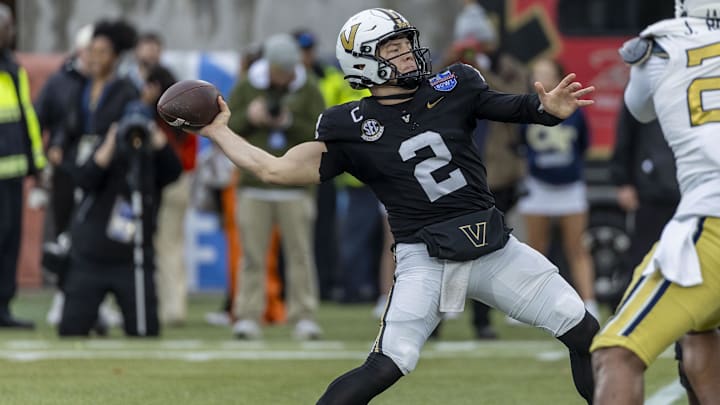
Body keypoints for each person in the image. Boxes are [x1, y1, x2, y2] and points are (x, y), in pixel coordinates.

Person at [197, 8, 598, 404]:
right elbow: (274, 169)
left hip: (493, 247)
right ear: (365, 62)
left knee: (586, 333)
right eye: (393, 47)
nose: (407, 52)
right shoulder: (349, 125)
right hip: (425, 259)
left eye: (406, 43)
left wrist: (545, 109)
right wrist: (218, 131)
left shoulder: (455, 84)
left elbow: (511, 105)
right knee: (389, 363)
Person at [591, 1, 720, 403]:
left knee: (617, 352)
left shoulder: (660, 45)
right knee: (700, 329)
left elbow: (639, 109)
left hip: (711, 217)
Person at [226, 33, 325, 340]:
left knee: (300, 255)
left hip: (296, 186)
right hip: (254, 184)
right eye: (279, 69)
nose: (284, 75)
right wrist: (250, 116)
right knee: (252, 255)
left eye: (288, 69)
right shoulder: (246, 86)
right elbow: (227, 128)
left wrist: (289, 121)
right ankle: (247, 315)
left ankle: (304, 316)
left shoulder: (308, 88)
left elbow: (322, 131)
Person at [517, 57, 599, 319]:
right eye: (536, 73)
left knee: (576, 247)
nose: (539, 78)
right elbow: (520, 144)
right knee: (536, 247)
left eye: (545, 73)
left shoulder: (575, 109)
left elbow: (583, 145)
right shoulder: (526, 108)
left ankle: (589, 301)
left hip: (570, 186)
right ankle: (528, 303)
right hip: (538, 185)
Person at [125, 65, 197, 327]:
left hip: (165, 184)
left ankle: (170, 308)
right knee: (171, 246)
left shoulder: (157, 116)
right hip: (180, 183)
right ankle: (173, 306)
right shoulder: (188, 112)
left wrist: (144, 105)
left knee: (163, 246)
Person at [0, 4, 46, 329]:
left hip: (12, 176)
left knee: (8, 244)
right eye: (4, 27)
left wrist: (38, 165)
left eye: (9, 28)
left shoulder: (14, 69)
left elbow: (27, 119)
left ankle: (2, 308)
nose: (9, 33)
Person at [608, 103, 680, 310]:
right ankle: (634, 307)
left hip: (696, 189)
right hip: (653, 189)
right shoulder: (649, 81)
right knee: (645, 255)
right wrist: (622, 180)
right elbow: (626, 133)